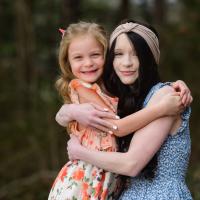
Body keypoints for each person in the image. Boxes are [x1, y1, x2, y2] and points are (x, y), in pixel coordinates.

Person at [48, 21, 186, 200]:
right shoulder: (84, 88)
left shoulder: (121, 91)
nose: (88, 63)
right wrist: (162, 109)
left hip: (109, 185)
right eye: (119, 54)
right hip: (85, 181)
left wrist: (174, 86)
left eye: (95, 55)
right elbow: (117, 128)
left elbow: (130, 161)